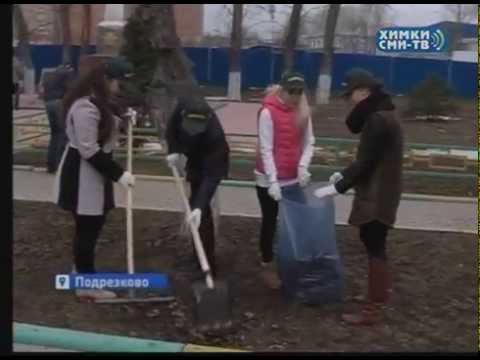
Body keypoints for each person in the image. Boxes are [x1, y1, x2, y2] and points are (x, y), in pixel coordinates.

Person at [314, 68, 404, 326]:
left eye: (351, 94)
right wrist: (342, 174)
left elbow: (367, 162)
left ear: (364, 91)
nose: (350, 100)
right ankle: (376, 297)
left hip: (378, 194)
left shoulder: (378, 119)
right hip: (383, 190)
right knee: (374, 244)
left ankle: (373, 309)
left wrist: (338, 187)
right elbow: (370, 159)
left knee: (374, 245)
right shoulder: (384, 114)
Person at [54, 57, 136, 301]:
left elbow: (107, 128)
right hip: (82, 174)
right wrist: (120, 174)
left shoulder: (100, 102)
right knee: (88, 227)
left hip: (96, 172)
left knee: (92, 225)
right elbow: (88, 148)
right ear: (105, 80)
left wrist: (124, 120)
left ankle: (80, 271)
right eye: (117, 82)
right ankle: (86, 284)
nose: (119, 88)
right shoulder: (85, 107)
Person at [254, 71, 315, 290]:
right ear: (282, 89)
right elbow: (266, 148)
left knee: (298, 222)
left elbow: (310, 142)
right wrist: (272, 181)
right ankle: (267, 263)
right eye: (292, 91)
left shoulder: (303, 112)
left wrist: (302, 167)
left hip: (293, 177)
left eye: (300, 92)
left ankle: (294, 263)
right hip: (268, 178)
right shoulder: (267, 113)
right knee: (270, 222)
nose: (296, 97)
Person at [166, 94, 230, 278]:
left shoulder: (215, 136)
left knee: (202, 212)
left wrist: (200, 207)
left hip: (208, 161)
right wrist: (174, 150)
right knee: (195, 202)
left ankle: (207, 263)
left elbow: (212, 176)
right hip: (193, 157)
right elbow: (171, 129)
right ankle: (197, 256)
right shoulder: (182, 105)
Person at [41, 63, 76, 173]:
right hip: (59, 103)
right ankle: (60, 165)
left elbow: (43, 90)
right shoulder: (67, 74)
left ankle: (50, 165)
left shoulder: (49, 75)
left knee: (54, 135)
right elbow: (70, 89)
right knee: (63, 135)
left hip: (48, 103)